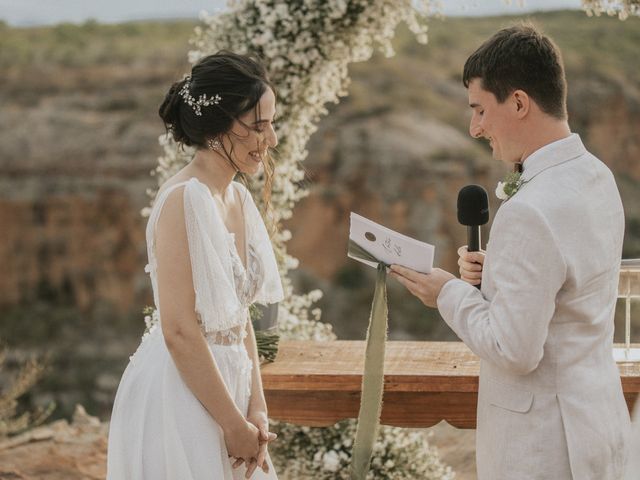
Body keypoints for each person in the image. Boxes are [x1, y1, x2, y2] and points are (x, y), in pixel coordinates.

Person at [390, 25, 631, 479]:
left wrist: (447, 292)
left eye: (480, 109)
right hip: (600, 424)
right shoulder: (597, 176)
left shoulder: (530, 210)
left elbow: (515, 349)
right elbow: (568, 287)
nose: (474, 127)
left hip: (543, 448)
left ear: (519, 103)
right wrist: (498, 273)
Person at [107, 51, 284, 480]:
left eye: (272, 124)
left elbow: (241, 315)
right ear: (219, 125)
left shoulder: (238, 199)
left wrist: (255, 407)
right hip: (181, 395)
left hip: (233, 389)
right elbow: (179, 330)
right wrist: (229, 423)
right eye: (259, 126)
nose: (272, 139)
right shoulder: (183, 198)